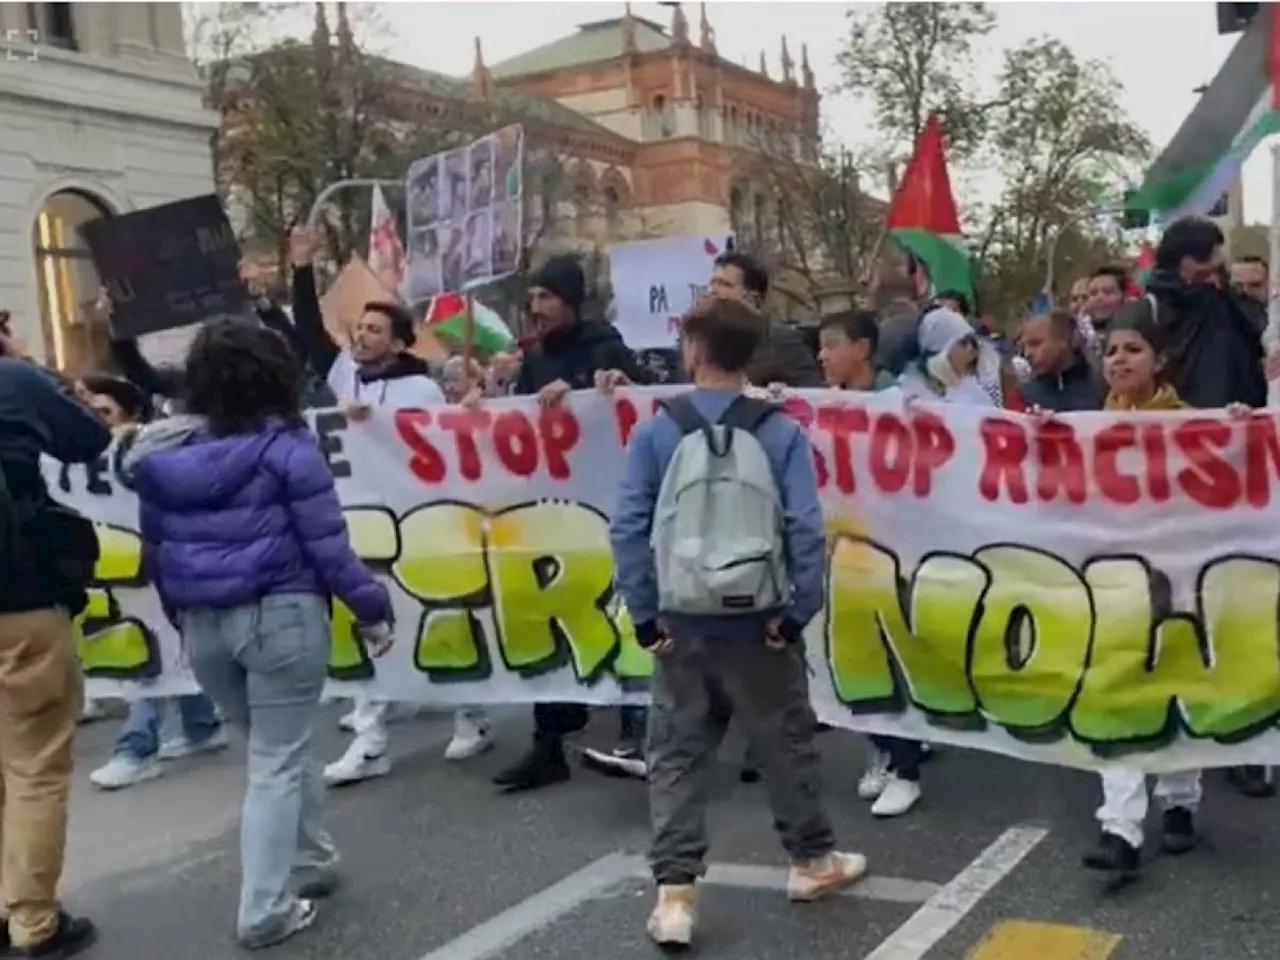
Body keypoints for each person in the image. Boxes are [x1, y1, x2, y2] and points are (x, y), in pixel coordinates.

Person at [123, 319, 394, 948]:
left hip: (204, 622)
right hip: (281, 614)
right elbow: (329, 547)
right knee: (278, 756)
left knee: (274, 749)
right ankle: (265, 908)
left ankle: (313, 862)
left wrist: (182, 617)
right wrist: (370, 607)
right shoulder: (288, 450)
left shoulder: (161, 460)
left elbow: (155, 553)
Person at [610, 297, 865, 948]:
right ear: (749, 355)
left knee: (675, 755)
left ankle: (675, 895)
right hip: (759, 620)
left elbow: (630, 529)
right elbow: (806, 528)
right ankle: (811, 862)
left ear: (694, 350)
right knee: (784, 743)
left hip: (681, 617)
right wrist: (797, 610)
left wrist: (644, 617)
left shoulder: (657, 430)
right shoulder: (778, 431)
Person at [287, 226, 491, 782]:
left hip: (420, 524)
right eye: (359, 328)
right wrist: (301, 268)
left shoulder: (421, 393)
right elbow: (309, 333)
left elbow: (430, 448)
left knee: (441, 621)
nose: (361, 336)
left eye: (374, 330)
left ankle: (471, 713)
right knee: (372, 623)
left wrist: (376, 423)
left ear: (400, 343)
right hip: (363, 525)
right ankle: (372, 734)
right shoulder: (346, 375)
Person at [1077, 309, 1253, 878]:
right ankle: (1120, 829)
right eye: (1110, 352)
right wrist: (1032, 436)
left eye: (1132, 349)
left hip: (1181, 584)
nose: (1120, 360)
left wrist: (1241, 433)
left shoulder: (1192, 425)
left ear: (1160, 360)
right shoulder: (1086, 430)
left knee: (1178, 691)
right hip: (1114, 587)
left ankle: (1179, 802)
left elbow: (1235, 484)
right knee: (1116, 697)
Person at [489, 254, 650, 792]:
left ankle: (638, 729)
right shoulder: (532, 361)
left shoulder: (605, 344)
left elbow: (646, 397)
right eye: (532, 298)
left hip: (611, 506)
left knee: (621, 613)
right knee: (547, 615)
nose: (535, 308)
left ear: (571, 301)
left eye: (546, 297)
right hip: (554, 508)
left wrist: (614, 385)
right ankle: (549, 740)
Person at [1125, 221, 1271, 800]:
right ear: (1197, 260)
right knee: (1176, 612)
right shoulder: (1159, 308)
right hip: (1174, 477)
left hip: (1229, 472)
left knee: (1230, 607)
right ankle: (1179, 733)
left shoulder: (1220, 305)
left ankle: (1235, 738)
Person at [0, 356, 113, 957]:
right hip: (20, 599)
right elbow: (89, 437)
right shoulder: (13, 380)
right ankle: (33, 921)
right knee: (35, 765)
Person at [817, 309, 927, 816]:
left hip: (894, 548)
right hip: (843, 548)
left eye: (831, 344)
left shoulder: (902, 400)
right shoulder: (820, 405)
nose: (822, 355)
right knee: (856, 652)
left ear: (861, 348)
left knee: (893, 653)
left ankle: (907, 768)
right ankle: (881, 751)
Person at [709, 251, 823, 388]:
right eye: (713, 283)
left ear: (753, 298)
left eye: (725, 284)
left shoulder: (782, 342)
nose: (713, 291)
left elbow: (812, 394)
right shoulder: (702, 339)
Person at [1017, 309, 1105, 412]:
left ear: (1067, 340)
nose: (1027, 354)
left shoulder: (1103, 387)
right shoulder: (1022, 396)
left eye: (1035, 344)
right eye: (1024, 347)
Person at [1084, 265, 1129, 341]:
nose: (1099, 297)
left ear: (1124, 296)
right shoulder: (1076, 338)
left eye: (1108, 292)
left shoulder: (1137, 335)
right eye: (1093, 293)